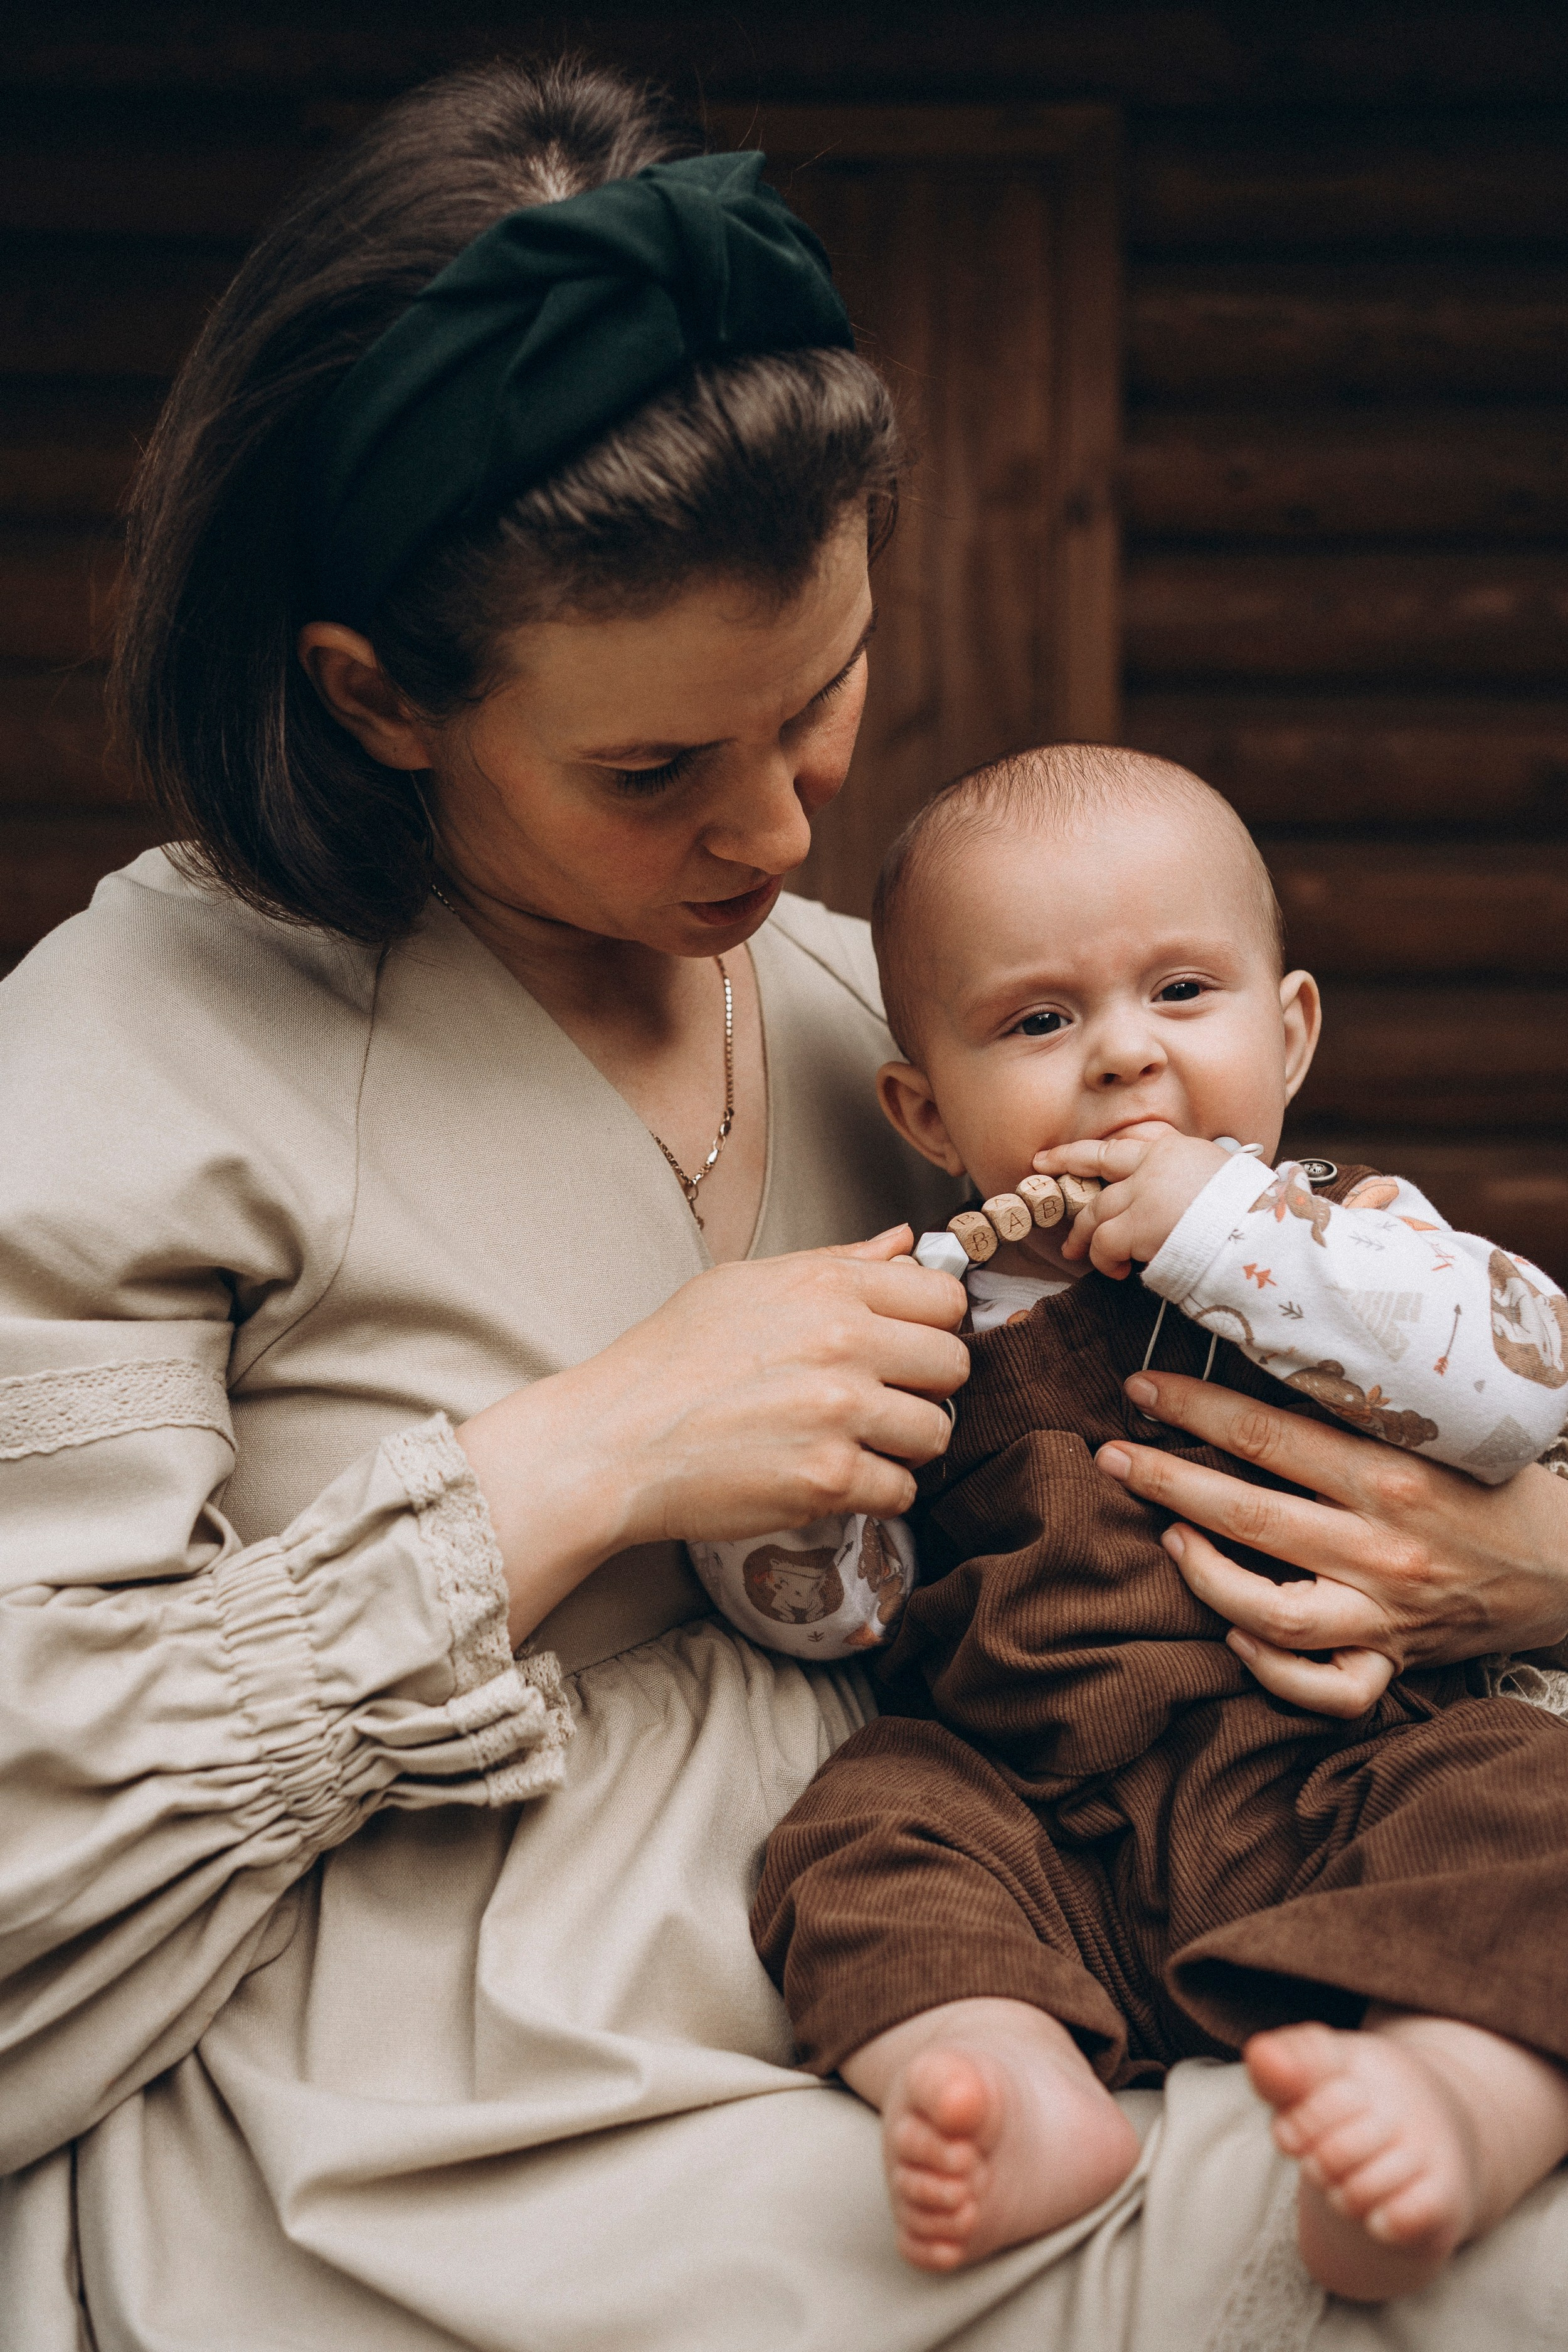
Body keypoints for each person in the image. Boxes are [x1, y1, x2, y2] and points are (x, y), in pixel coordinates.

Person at [3, 54, 1568, 2352]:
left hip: (1056, 1976)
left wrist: (1525, 1565)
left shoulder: (906, 1028)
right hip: (476, 2156)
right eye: (653, 768)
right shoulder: (139, 1044)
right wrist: (583, 1461)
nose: (771, 833)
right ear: (374, 697)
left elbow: (1379, 1345)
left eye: (822, 699)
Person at [751, 746, 1568, 2302]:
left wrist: (1225, 1231)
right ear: (927, 1111)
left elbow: (1513, 1391)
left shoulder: (1350, 1239)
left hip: (1358, 1773)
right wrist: (795, 1497)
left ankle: (1449, 2100)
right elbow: (835, 1608)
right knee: (856, 1834)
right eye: (1040, 1021)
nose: (1124, 1058)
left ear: (1290, 1030)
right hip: (1039, 1809)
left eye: (1181, 993)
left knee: (1538, 1810)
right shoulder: (935, 1318)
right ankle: (1002, 2076)